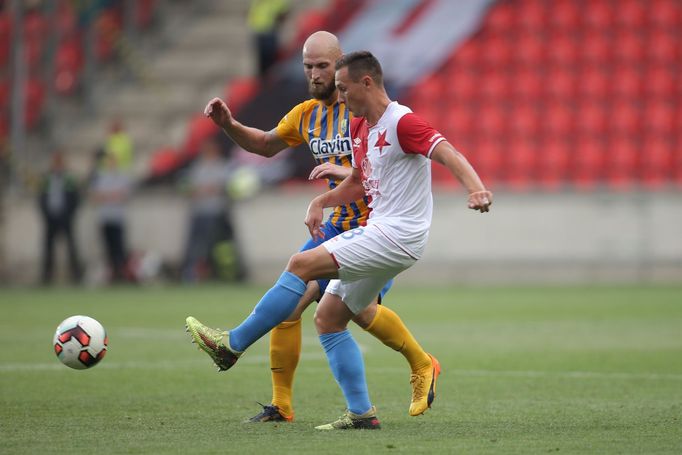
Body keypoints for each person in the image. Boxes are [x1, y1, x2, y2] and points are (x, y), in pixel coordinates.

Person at [187, 50, 492, 429]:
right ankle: (363, 414)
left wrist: (476, 189)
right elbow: (360, 182)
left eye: (344, 89)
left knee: (300, 265)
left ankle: (231, 345)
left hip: (396, 234)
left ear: (366, 83)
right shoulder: (360, 126)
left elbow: (447, 151)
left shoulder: (402, 122)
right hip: (379, 231)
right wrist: (322, 199)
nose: (341, 98)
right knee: (329, 319)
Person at [181, 138, 246, 283]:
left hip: (218, 214)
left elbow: (226, 186)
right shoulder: (197, 167)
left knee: (222, 247)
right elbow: (189, 188)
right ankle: (192, 273)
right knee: (196, 246)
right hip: (200, 213)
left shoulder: (222, 166)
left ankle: (229, 273)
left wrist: (209, 189)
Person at [38, 151, 83, 284]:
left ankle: (76, 275)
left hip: (66, 218)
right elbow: (41, 199)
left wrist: (69, 214)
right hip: (51, 218)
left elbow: (75, 199)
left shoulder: (69, 179)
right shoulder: (47, 179)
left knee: (71, 246)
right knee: (48, 248)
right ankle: (47, 276)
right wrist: (46, 214)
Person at [91, 152, 133, 283]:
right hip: (105, 218)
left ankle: (121, 274)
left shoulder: (122, 177)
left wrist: (107, 196)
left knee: (119, 248)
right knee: (108, 249)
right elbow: (96, 196)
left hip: (118, 218)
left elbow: (123, 195)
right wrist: (112, 195)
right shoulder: (101, 177)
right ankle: (111, 275)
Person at [247, 0, 290, 78]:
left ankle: (269, 81)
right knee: (262, 61)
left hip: (269, 32)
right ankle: (263, 80)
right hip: (259, 31)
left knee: (270, 61)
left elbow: (284, 12)